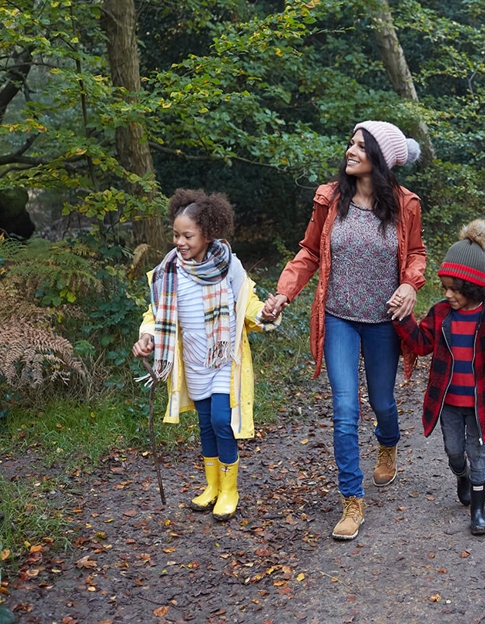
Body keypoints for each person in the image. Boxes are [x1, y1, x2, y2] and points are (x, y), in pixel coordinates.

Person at [263, 121, 426, 541]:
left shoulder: (406, 205)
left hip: (382, 324)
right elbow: (309, 251)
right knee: (344, 408)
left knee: (384, 403)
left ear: (381, 159)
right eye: (350, 143)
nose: (350, 151)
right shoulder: (330, 199)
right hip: (338, 317)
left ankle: (387, 442)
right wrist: (283, 293)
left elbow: (416, 253)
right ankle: (351, 500)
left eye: (360, 145)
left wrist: (410, 283)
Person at [132, 189, 279, 522]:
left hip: (225, 360)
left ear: (208, 234)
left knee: (219, 421)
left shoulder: (230, 267)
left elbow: (248, 304)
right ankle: (212, 486)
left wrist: (266, 314)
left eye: (187, 235)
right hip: (193, 363)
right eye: (175, 235)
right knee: (205, 426)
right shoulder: (167, 273)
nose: (179, 242)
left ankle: (230, 490)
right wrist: (146, 338)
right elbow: (155, 315)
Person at [393, 220, 485, 535]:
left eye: (454, 289)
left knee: (478, 453)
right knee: (453, 451)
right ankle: (460, 476)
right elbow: (420, 344)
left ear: (473, 288)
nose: (447, 294)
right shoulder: (440, 314)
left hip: (479, 404)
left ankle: (478, 510)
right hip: (447, 402)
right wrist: (403, 317)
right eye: (444, 287)